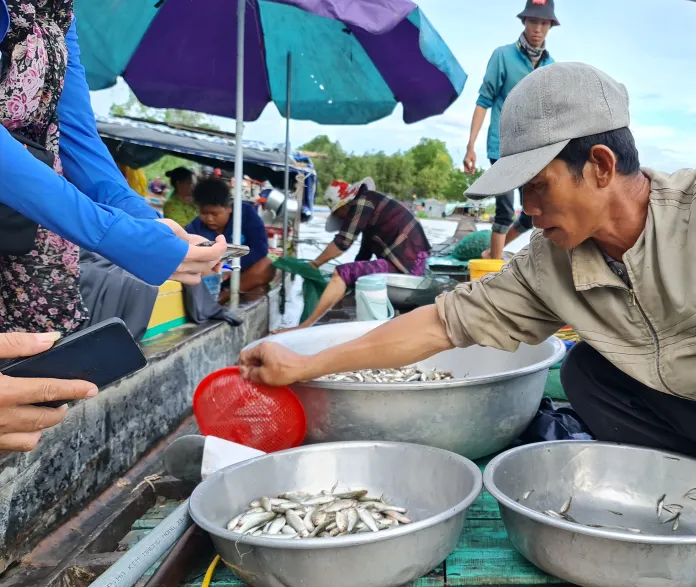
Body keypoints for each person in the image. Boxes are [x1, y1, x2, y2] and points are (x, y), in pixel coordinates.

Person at [242, 63, 696, 587]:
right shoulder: (547, 263)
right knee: (587, 373)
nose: (527, 208)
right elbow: (441, 325)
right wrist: (306, 362)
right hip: (694, 421)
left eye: (537, 187)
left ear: (599, 165)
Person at [0, 0, 224, 337]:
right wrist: (117, 235)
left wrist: (146, 222)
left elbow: (77, 136)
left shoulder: (57, 10)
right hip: (30, 199)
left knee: (41, 355)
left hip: (26, 225)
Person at [463, 0, 558, 260]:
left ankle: (489, 254)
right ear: (524, 22)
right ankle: (493, 274)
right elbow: (484, 101)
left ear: (550, 25)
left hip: (533, 150)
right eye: (533, 21)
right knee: (504, 211)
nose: (537, 28)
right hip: (502, 146)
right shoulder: (502, 56)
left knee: (531, 214)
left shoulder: (551, 66)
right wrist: (471, 146)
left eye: (543, 22)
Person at [275, 178, 430, 332]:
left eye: (338, 213)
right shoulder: (372, 206)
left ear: (344, 205)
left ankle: (305, 326)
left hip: (407, 265)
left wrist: (316, 263)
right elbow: (364, 255)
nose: (342, 218)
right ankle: (322, 317)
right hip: (411, 262)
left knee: (340, 273)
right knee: (348, 275)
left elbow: (342, 242)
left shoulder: (362, 202)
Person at [186, 177, 274, 304]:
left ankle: (224, 296)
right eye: (204, 214)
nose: (209, 219)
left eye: (215, 214)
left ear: (229, 207)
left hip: (244, 274)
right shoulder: (194, 228)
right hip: (212, 277)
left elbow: (260, 248)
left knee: (266, 265)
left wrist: (233, 267)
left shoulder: (246, 214)